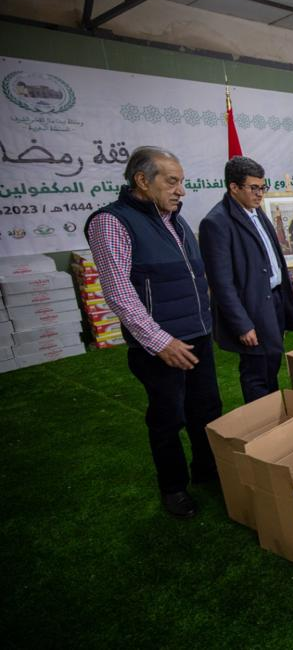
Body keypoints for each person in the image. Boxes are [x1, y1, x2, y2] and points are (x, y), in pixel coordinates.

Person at [85, 146, 222, 519]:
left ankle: (208, 471)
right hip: (160, 346)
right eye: (172, 181)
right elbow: (119, 292)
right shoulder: (111, 222)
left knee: (206, 409)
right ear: (142, 180)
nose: (181, 191)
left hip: (196, 336)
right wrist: (160, 342)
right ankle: (174, 488)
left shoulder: (175, 220)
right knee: (168, 418)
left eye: (182, 182)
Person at [199, 156, 293, 403]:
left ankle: (273, 412)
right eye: (253, 188)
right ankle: (261, 419)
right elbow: (221, 283)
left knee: (271, 362)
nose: (260, 194)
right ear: (233, 187)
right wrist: (242, 325)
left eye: (262, 187)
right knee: (256, 371)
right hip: (251, 308)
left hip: (273, 300)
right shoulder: (216, 223)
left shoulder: (255, 211)